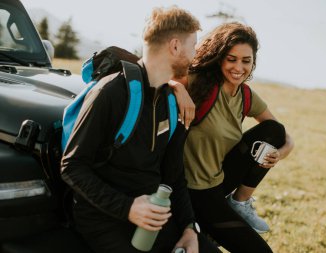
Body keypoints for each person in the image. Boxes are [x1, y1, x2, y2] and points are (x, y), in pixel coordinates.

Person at [61, 6, 220, 253]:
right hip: (105, 220)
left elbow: (174, 175)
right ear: (175, 46)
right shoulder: (110, 93)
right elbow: (72, 166)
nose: (195, 56)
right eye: (193, 47)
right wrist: (128, 208)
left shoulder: (171, 101)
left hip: (153, 217)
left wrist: (190, 228)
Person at [184, 22, 295, 252]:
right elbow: (161, 80)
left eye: (246, 60)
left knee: (273, 129)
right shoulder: (197, 83)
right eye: (231, 59)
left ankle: (239, 202)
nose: (239, 67)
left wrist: (280, 154)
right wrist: (176, 87)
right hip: (189, 191)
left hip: (219, 183)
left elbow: (282, 135)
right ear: (219, 57)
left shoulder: (245, 95)